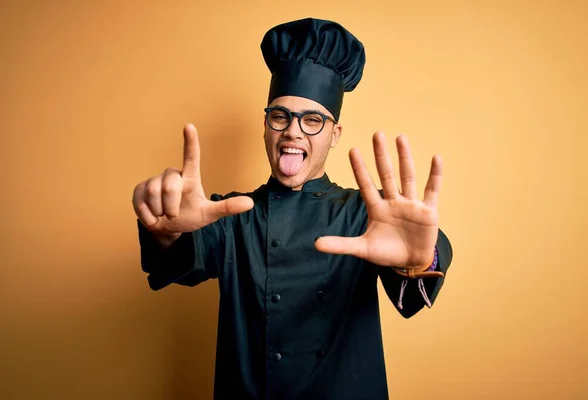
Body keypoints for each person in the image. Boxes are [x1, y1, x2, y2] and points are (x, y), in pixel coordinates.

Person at [132, 17, 453, 399]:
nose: (294, 131)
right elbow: (172, 261)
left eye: (313, 120)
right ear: (265, 126)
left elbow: (419, 266)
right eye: (280, 116)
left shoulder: (364, 213)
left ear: (334, 135)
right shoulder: (231, 215)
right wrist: (165, 232)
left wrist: (419, 260)